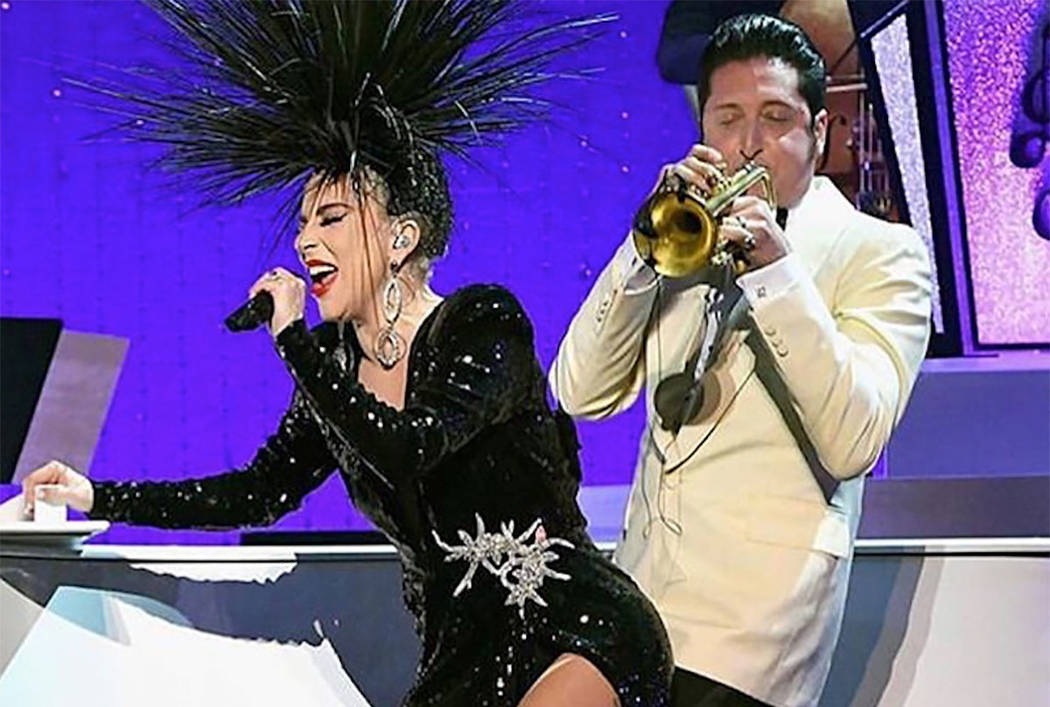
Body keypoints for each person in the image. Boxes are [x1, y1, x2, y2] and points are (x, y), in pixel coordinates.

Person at [21, 2, 673, 705]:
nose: (306, 242)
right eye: (303, 222)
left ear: (401, 237)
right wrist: (98, 494)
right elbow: (257, 492)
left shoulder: (483, 322)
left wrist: (295, 343)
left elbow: (409, 446)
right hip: (462, 659)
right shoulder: (336, 361)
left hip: (575, 628)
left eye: (331, 219)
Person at [550, 13, 932, 707]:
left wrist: (777, 273)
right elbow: (579, 391)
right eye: (727, 119)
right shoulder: (680, 244)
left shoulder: (882, 254)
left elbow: (855, 438)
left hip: (751, 637)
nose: (749, 143)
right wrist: (642, 250)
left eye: (776, 118)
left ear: (819, 132)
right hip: (635, 611)